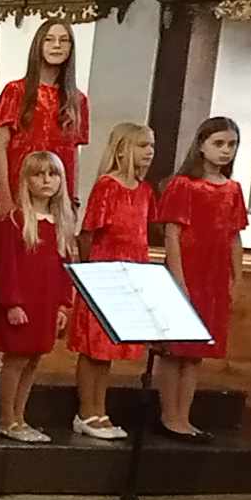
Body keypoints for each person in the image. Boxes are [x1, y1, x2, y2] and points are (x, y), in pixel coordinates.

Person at [0, 19, 88, 380]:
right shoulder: (16, 91)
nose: (56, 45)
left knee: (42, 271)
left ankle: (20, 348)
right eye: (50, 39)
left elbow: (72, 155)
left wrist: (71, 201)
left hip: (54, 198)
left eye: (64, 40)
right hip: (16, 193)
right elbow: (1, 145)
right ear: (38, 44)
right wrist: (6, 197)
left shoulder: (77, 100)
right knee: (4, 272)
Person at [156, 117, 248, 442]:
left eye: (231, 144)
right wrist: (178, 280)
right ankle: (169, 416)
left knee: (196, 352)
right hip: (187, 273)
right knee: (175, 350)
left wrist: (236, 278)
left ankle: (184, 416)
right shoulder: (184, 185)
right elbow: (172, 234)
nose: (225, 150)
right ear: (201, 146)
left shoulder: (232, 189)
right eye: (218, 143)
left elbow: (234, 237)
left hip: (214, 278)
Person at [68, 123, 155, 440]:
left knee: (108, 352)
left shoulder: (145, 191)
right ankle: (86, 412)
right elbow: (87, 234)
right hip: (104, 275)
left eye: (152, 146)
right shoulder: (107, 186)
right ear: (122, 150)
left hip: (131, 277)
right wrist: (91, 275)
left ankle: (99, 409)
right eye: (143, 145)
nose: (150, 152)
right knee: (93, 349)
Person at [0, 152, 76, 442]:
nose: (46, 180)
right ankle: (6, 419)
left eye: (53, 174)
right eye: (39, 174)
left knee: (34, 360)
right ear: (26, 180)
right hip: (21, 304)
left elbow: (65, 269)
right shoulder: (16, 219)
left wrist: (63, 305)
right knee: (15, 361)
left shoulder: (62, 222)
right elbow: (7, 267)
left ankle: (20, 417)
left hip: (46, 304)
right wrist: (12, 303)